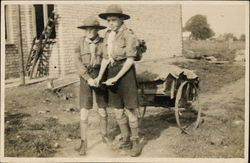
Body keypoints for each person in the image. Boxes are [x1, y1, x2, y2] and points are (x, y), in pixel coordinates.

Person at [94, 5, 142, 157]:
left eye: (114, 20)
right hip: (112, 71)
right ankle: (126, 138)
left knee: (130, 109)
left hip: (125, 73)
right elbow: (106, 58)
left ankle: (135, 142)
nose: (111, 23)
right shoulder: (108, 35)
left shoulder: (129, 34)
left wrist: (115, 78)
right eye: (108, 20)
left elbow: (130, 61)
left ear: (121, 19)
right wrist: (100, 77)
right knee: (117, 109)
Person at [74, 15, 109, 156]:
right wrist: (88, 78)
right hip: (85, 77)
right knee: (84, 109)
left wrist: (99, 77)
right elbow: (77, 62)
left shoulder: (103, 42)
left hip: (100, 75)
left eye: (92, 29)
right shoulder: (79, 42)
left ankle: (105, 136)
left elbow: (106, 59)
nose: (89, 31)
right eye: (86, 29)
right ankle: (84, 142)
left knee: (102, 108)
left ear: (97, 30)